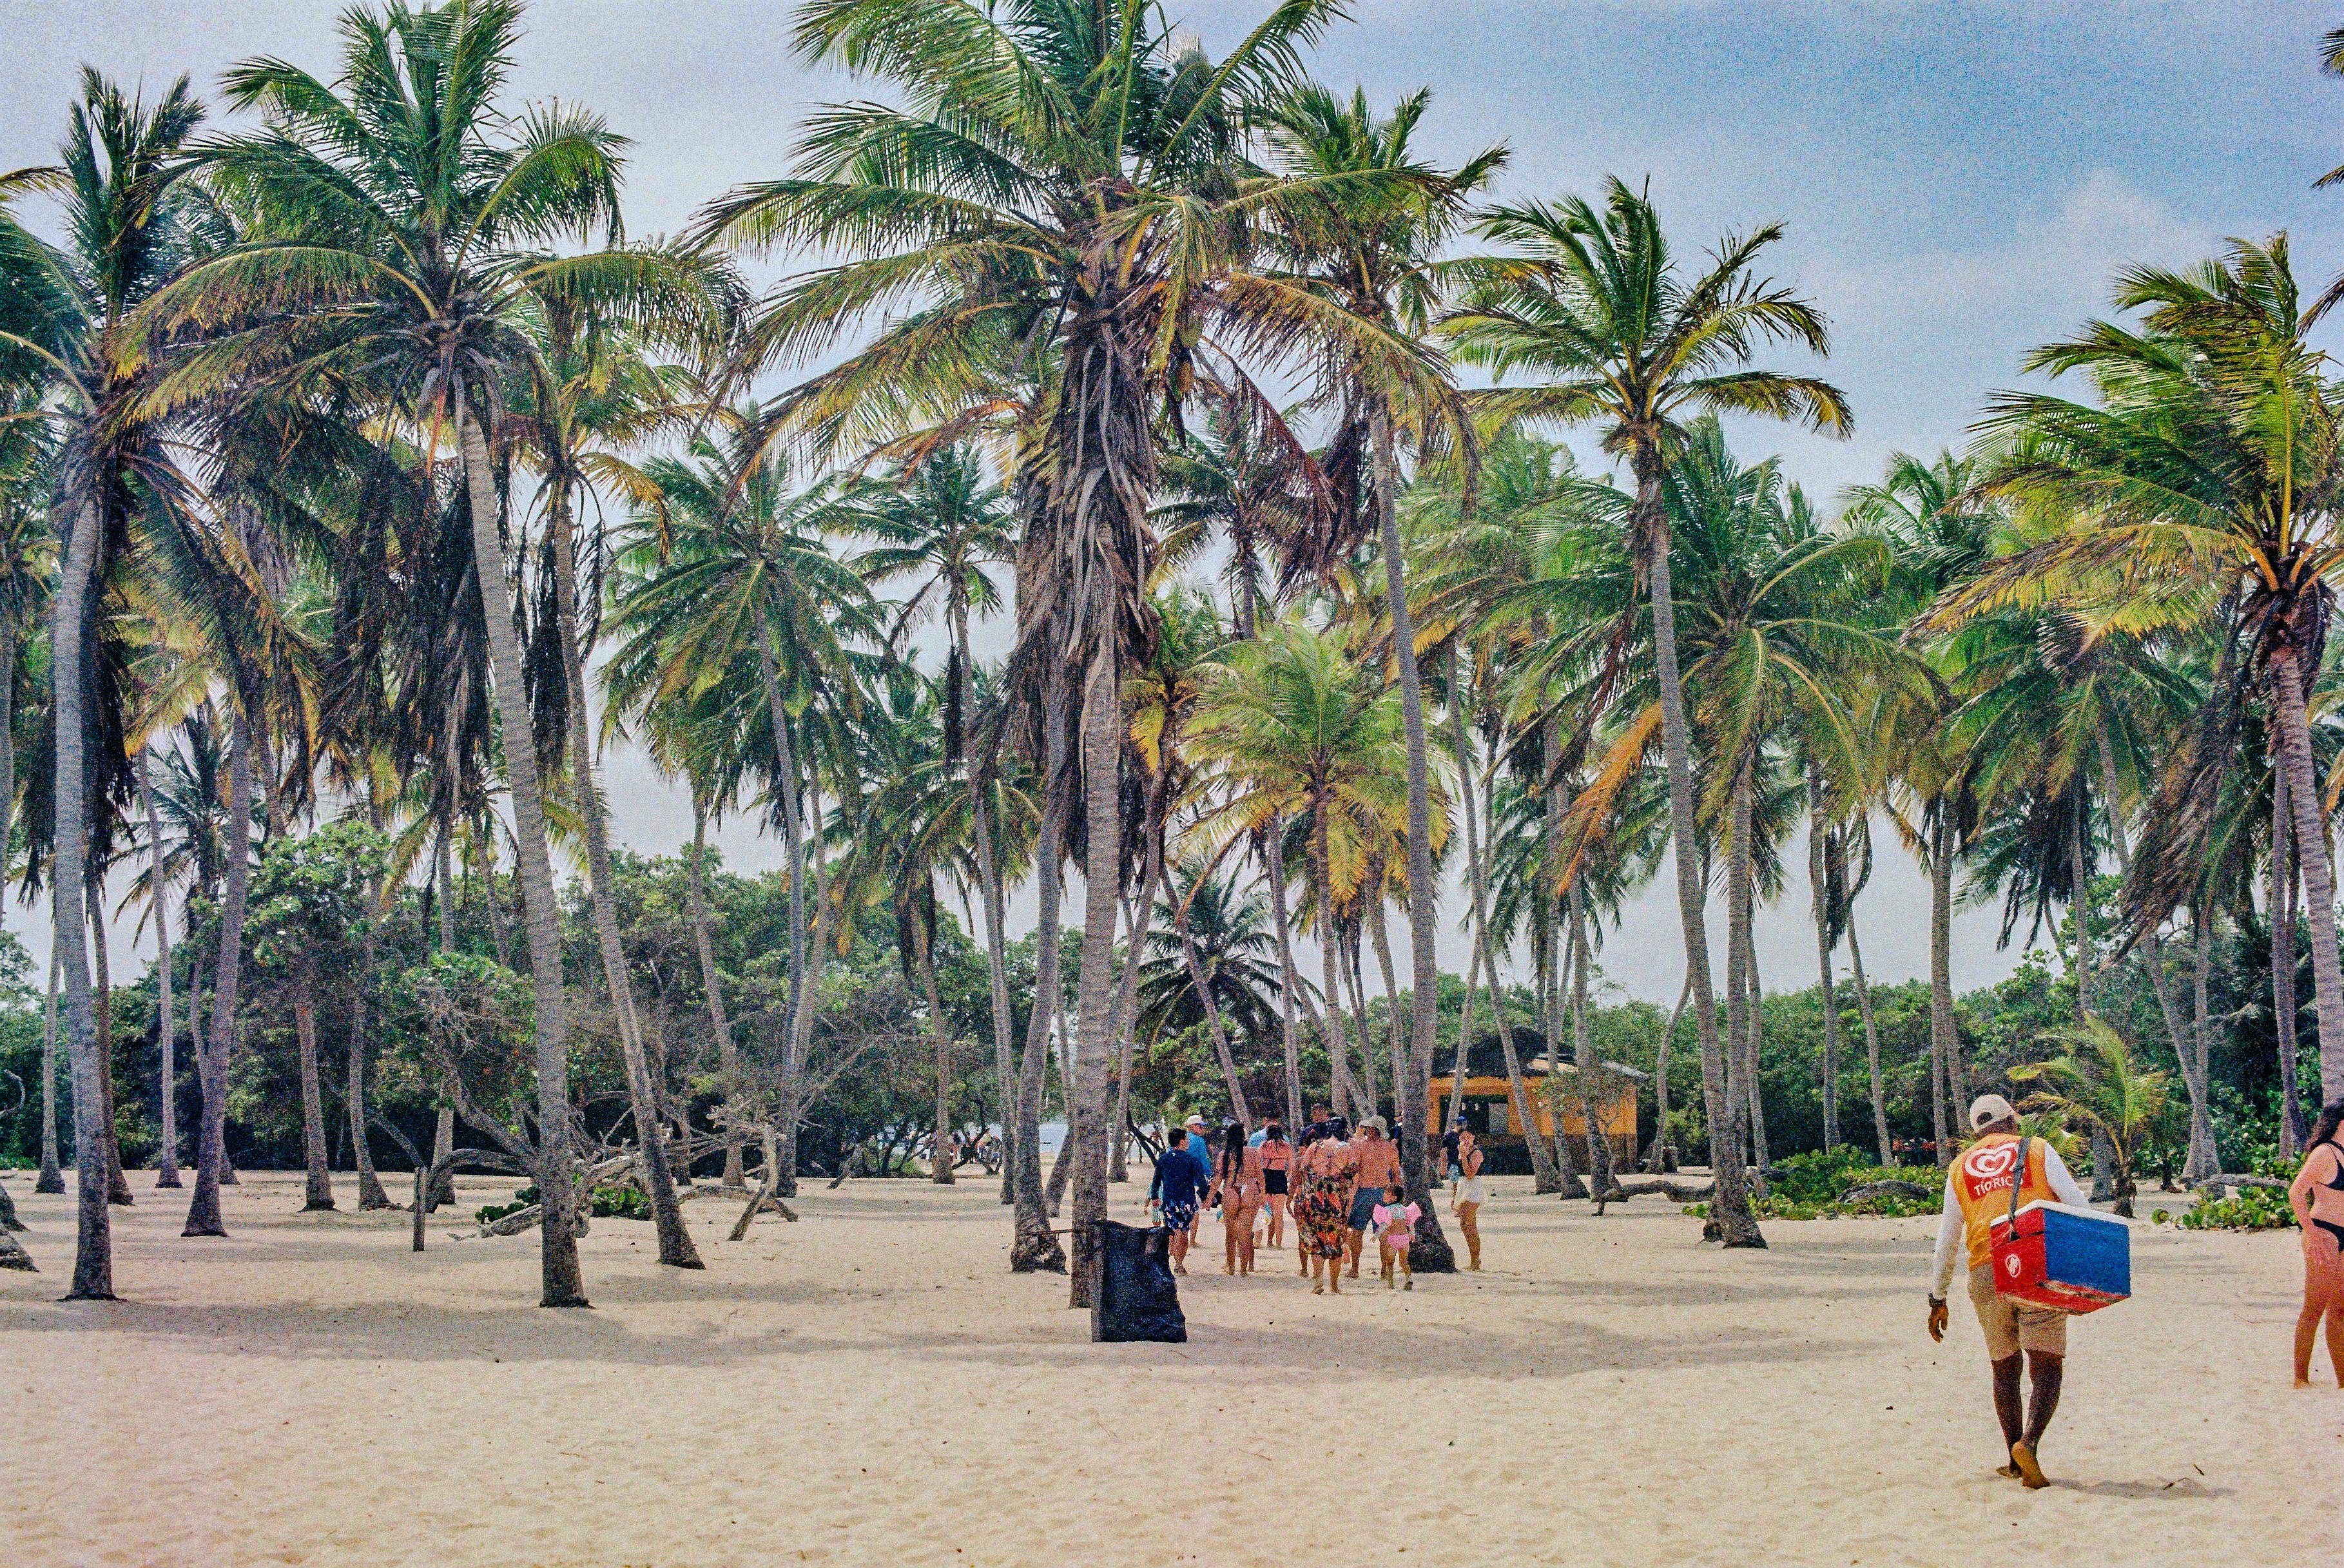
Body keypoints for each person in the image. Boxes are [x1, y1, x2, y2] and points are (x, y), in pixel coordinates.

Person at [1926, 1093, 2092, 1489]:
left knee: (2005, 1367)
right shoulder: (2036, 1148)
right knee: (2046, 1363)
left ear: (1977, 1131)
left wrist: (1938, 1297)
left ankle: (2013, 1460)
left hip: (1985, 1269)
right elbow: (2079, 1206)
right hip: (2034, 1261)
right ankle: (2029, 1445)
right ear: (2013, 1120)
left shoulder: (1959, 1167)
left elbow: (1948, 1239)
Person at [2289, 1097, 2344, 1388]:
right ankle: (2301, 1379)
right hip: (2324, 1233)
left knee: (2340, 1309)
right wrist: (2311, 1234)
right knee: (2315, 1306)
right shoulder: (2324, 1153)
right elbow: (2296, 1192)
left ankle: (2342, 1382)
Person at [1293, 1119, 1355, 1294]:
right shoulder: (1347, 1149)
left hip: (1315, 1197)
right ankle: (1334, 1284)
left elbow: (1303, 1170)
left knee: (1317, 1240)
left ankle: (1319, 1279)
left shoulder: (1315, 1146)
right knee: (1335, 1241)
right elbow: (1351, 1177)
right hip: (1335, 1198)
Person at [1346, 1116, 1404, 1279]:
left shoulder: (1361, 1147)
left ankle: (1356, 1269)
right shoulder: (1390, 1148)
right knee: (1383, 1233)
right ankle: (1384, 1270)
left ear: (1374, 1130)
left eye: (1369, 1128)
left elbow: (1355, 1169)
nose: (1368, 1131)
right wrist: (1398, 1197)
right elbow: (1397, 1175)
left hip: (1366, 1192)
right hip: (1384, 1193)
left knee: (1358, 1231)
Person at [1149, 1126, 1210, 1275]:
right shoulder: (1192, 1160)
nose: (1189, 1142)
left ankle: (1176, 1260)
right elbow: (1202, 1183)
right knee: (1183, 1232)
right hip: (1187, 1202)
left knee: (1175, 1231)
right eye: (1187, 1139)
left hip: (1169, 1201)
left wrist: (1155, 1197)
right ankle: (1179, 1263)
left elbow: (1156, 1180)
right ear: (1182, 1141)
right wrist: (1206, 1200)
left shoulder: (1163, 1159)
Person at [1212, 1120, 1263, 1277]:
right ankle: (1244, 1269)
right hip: (1249, 1189)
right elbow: (1260, 1176)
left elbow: (1218, 1178)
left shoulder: (1224, 1154)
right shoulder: (1253, 1152)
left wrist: (1209, 1198)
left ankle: (1231, 1266)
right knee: (1246, 1232)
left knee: (1231, 1232)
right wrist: (1264, 1195)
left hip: (1231, 1189)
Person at [1372, 1181, 1420, 1290]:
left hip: (1392, 1239)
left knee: (1390, 1262)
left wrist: (1376, 1235)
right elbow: (1410, 1224)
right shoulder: (1405, 1209)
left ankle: (1391, 1283)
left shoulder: (1387, 1210)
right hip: (1404, 1238)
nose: (1384, 1195)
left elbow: (1384, 1225)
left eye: (1387, 1193)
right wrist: (1412, 1235)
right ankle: (1409, 1278)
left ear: (1394, 1198)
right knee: (1404, 1262)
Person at [1451, 1126, 1486, 1271]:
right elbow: (1458, 1175)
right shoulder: (1461, 1152)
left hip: (1473, 1187)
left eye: (1468, 1137)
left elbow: (1470, 1173)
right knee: (1464, 1224)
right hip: (1463, 1186)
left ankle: (1475, 1259)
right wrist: (1454, 1196)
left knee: (1469, 1223)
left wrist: (1465, 1156)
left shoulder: (1476, 1153)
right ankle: (1473, 1258)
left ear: (1473, 1137)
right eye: (1462, 1138)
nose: (1465, 1140)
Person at [1259, 1122, 1292, 1252]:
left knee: (1264, 1211)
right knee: (1279, 1214)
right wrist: (1286, 1175)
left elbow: (1258, 1162)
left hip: (1267, 1176)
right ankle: (1278, 1243)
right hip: (1280, 1177)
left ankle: (1262, 1241)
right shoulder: (1286, 1146)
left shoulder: (1264, 1145)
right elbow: (1291, 1164)